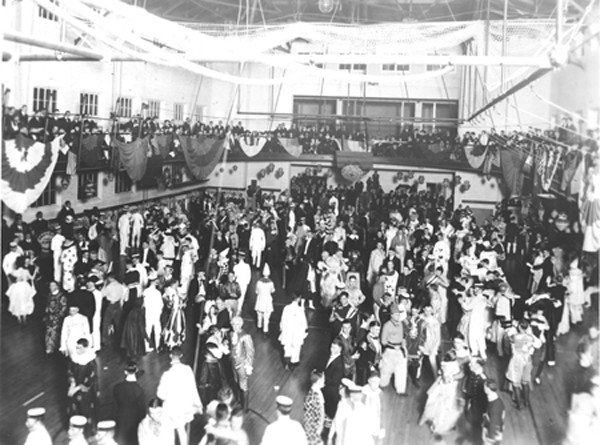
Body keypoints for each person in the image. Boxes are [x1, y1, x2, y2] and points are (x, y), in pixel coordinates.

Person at [156, 346, 203, 445]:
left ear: (170, 355)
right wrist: (198, 404)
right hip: (184, 407)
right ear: (181, 355)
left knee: (169, 433)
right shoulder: (188, 369)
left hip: (171, 409)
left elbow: (160, 394)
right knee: (181, 430)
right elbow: (193, 388)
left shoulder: (167, 374)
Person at [419, 351, 463, 438]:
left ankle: (424, 419)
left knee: (431, 402)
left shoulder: (444, 363)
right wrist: (453, 376)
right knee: (443, 407)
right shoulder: (452, 366)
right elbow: (452, 377)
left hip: (441, 386)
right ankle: (435, 426)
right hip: (446, 388)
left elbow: (443, 374)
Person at [328, 380, 382, 445]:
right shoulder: (341, 404)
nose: (339, 389)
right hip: (340, 439)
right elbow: (336, 420)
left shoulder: (354, 410)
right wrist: (330, 436)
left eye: (341, 387)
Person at [67, 338, 99, 434]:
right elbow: (70, 371)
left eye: (79, 348)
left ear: (85, 348)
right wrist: (72, 383)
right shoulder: (74, 358)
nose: (77, 350)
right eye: (76, 348)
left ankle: (88, 430)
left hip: (87, 391)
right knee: (74, 407)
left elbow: (90, 379)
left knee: (86, 409)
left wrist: (76, 389)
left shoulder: (90, 362)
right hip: (75, 387)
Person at [113, 362, 146, 445]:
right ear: (136, 371)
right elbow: (142, 410)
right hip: (134, 421)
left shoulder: (117, 388)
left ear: (125, 372)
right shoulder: (139, 390)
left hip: (120, 418)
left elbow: (117, 403)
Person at [379, 303, 408, 395]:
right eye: (396, 314)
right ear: (391, 315)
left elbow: (402, 337)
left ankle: (401, 390)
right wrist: (392, 346)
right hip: (390, 350)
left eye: (399, 314)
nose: (398, 316)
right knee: (386, 370)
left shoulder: (400, 324)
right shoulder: (387, 326)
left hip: (400, 350)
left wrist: (403, 347)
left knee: (401, 370)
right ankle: (382, 385)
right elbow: (383, 341)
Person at [229, 316, 255, 409]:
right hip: (233, 363)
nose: (234, 326)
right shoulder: (231, 334)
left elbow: (250, 352)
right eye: (233, 324)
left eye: (237, 324)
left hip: (242, 365)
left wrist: (249, 365)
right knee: (236, 382)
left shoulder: (246, 336)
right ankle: (239, 400)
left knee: (243, 385)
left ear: (240, 325)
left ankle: (245, 407)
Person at [279, 293, 308, 370]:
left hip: (287, 331)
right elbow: (303, 322)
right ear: (298, 299)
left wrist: (282, 329)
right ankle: (293, 362)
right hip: (297, 332)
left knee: (287, 347)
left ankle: (286, 362)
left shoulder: (286, 308)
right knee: (296, 347)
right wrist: (305, 330)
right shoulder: (300, 309)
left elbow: (282, 320)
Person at [6, 256, 36, 323]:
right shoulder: (26, 271)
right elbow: (32, 278)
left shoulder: (14, 271)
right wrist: (35, 271)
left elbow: (9, 274)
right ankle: (24, 316)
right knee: (25, 300)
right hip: (24, 287)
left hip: (17, 287)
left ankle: (18, 317)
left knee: (17, 301)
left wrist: (14, 280)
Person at [44, 280, 68, 354]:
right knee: (48, 332)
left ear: (57, 286)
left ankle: (56, 347)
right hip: (49, 318)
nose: (51, 287)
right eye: (50, 286)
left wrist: (58, 316)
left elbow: (64, 307)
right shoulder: (49, 295)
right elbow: (47, 305)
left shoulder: (61, 296)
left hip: (58, 318)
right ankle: (49, 347)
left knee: (55, 332)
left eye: (53, 285)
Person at [304, 370, 326, 445]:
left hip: (317, 427)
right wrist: (319, 428)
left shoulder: (317, 392)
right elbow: (313, 415)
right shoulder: (313, 396)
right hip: (314, 429)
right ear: (318, 381)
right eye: (323, 380)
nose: (324, 381)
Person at [143, 271, 163, 352]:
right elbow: (161, 305)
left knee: (148, 330)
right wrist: (159, 312)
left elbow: (143, 304)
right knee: (157, 331)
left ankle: (146, 347)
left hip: (148, 313)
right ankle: (157, 346)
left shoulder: (145, 291)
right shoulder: (157, 293)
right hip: (156, 314)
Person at [482, 379, 505, 445]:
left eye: (484, 386)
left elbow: (494, 425)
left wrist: (488, 440)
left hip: (492, 436)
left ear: (487, 388)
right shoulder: (494, 399)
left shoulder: (496, 407)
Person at [255, 263, 275, 334]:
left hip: (260, 299)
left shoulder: (259, 282)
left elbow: (256, 291)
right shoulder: (271, 283)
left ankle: (259, 326)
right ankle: (265, 329)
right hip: (267, 300)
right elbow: (273, 290)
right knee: (266, 316)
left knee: (259, 314)